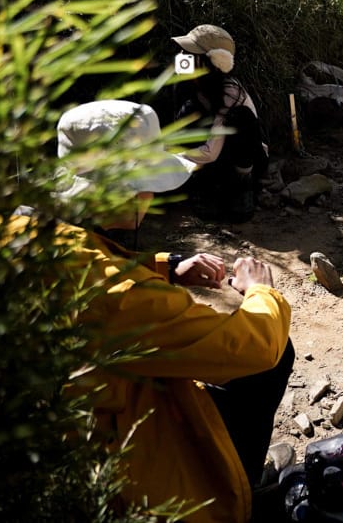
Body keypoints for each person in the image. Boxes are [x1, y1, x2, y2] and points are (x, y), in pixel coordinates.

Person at [16, 100, 293, 522]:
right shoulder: (122, 296)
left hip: (52, 426)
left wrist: (167, 265)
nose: (149, 196)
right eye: (146, 184)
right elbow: (256, 346)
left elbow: (94, 263)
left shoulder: (20, 229)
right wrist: (261, 294)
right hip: (111, 457)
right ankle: (236, 484)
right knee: (272, 357)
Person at [170, 24, 269, 222]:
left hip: (237, 163)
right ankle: (204, 186)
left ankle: (243, 188)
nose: (181, 56)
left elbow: (211, 152)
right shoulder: (188, 86)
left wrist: (168, 155)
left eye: (189, 53)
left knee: (242, 118)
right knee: (188, 112)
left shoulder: (230, 93)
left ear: (209, 62)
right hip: (212, 162)